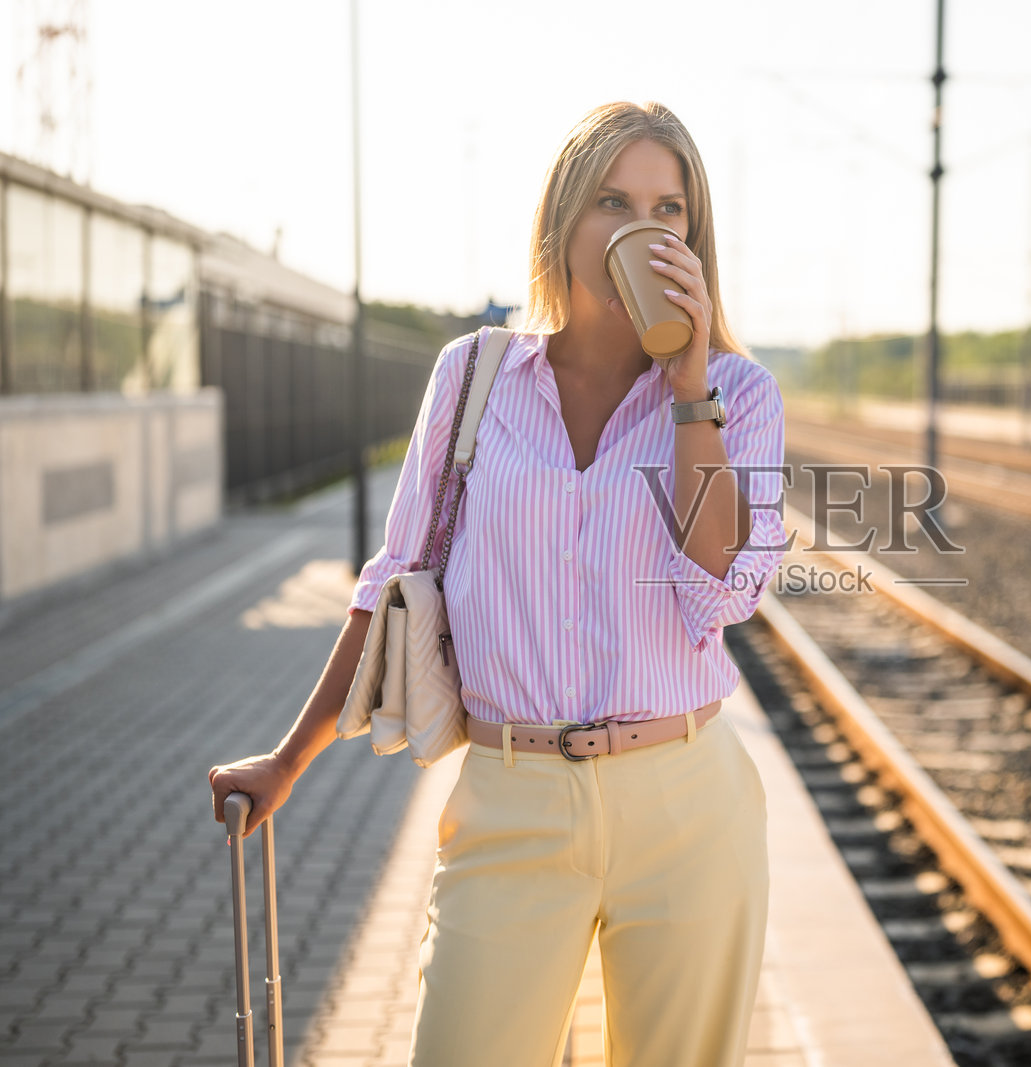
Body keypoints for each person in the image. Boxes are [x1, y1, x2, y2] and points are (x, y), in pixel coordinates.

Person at [207, 100, 789, 1067]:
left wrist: (691, 392)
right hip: (511, 797)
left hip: (688, 801)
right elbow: (396, 576)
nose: (641, 228)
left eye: (667, 208)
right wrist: (287, 760)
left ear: (694, 235)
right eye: (612, 199)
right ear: (563, 222)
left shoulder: (741, 392)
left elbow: (724, 587)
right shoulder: (474, 376)